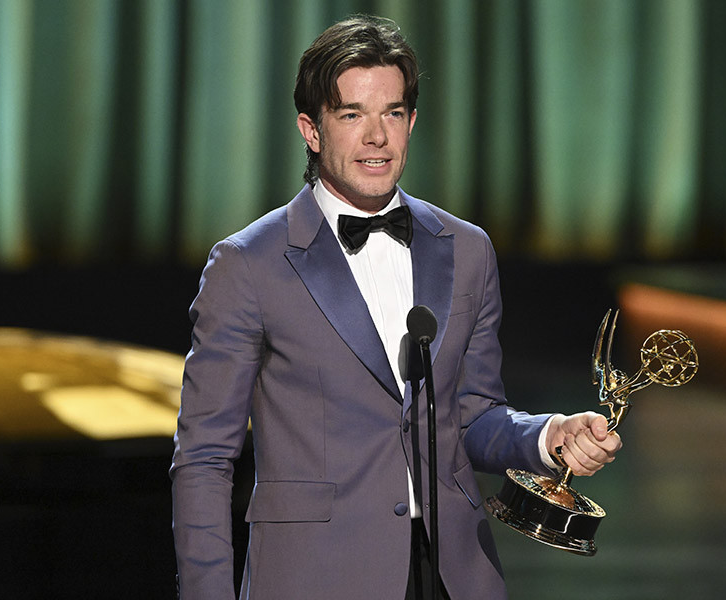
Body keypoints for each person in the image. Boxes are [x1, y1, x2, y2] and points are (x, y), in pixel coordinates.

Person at [170, 14, 622, 600]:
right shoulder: (249, 265)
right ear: (312, 129)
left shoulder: (466, 249)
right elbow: (205, 459)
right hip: (317, 577)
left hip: (454, 573)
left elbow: (474, 414)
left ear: (412, 121)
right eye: (352, 114)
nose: (377, 136)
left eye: (393, 113)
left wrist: (549, 437)